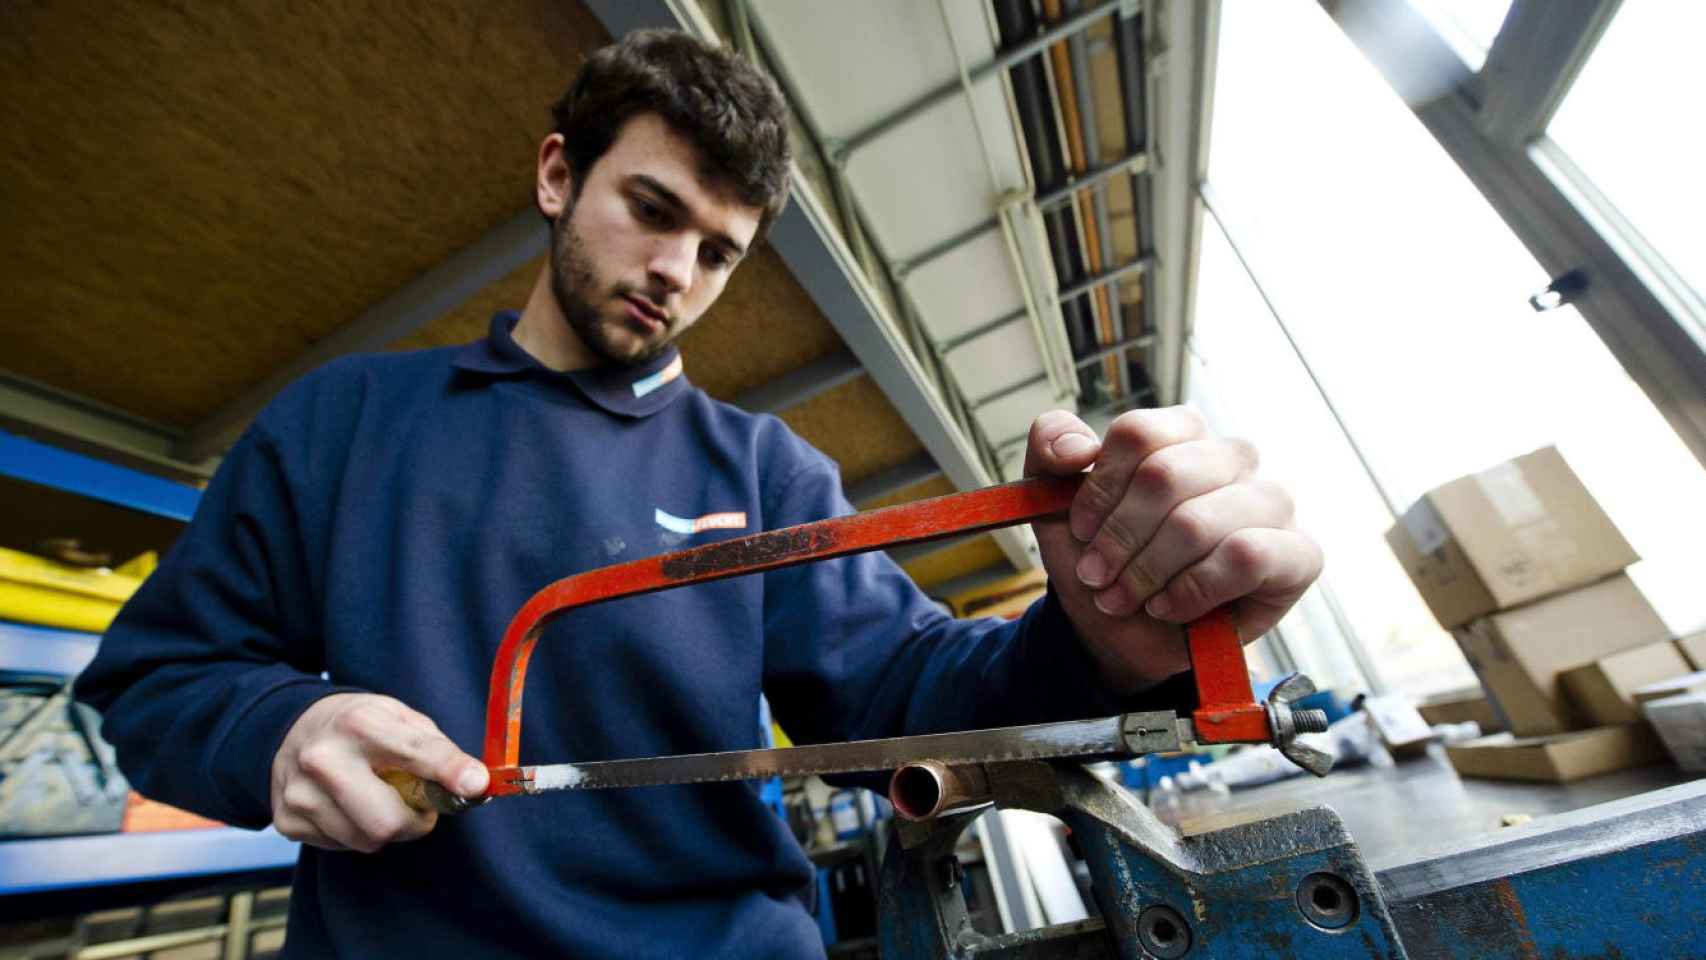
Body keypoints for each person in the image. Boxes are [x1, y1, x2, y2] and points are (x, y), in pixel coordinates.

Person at [75, 28, 1320, 959]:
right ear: (560, 175)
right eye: (651, 210)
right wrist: (277, 732)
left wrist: (1099, 640)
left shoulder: (766, 471)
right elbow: (155, 683)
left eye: (718, 250)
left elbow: (912, 694)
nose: (673, 270)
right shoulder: (341, 421)